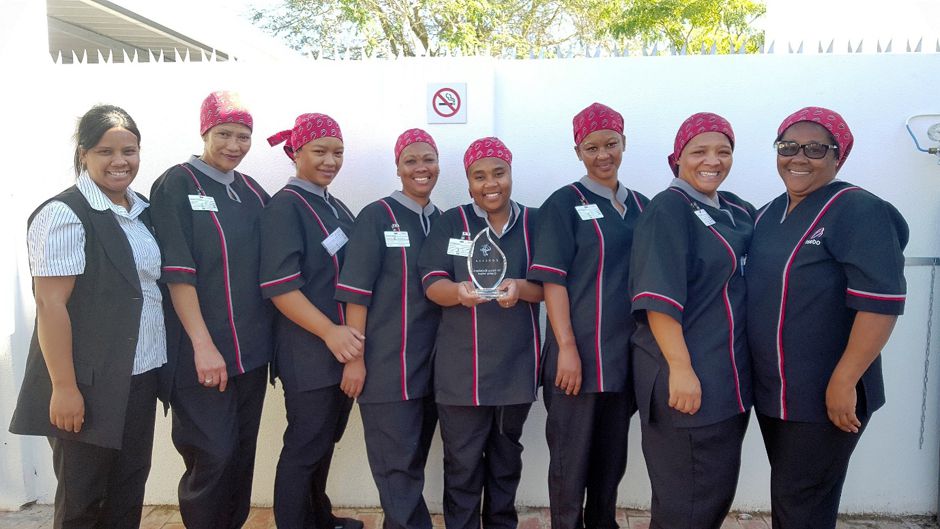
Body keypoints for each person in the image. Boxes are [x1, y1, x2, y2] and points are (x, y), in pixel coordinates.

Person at [746, 106, 908, 529]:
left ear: (839, 156)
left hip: (828, 396)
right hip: (776, 394)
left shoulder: (858, 210)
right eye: (788, 146)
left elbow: (880, 303)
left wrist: (844, 379)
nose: (799, 157)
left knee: (802, 505)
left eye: (816, 148)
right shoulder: (765, 215)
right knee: (791, 495)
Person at [10, 104, 166, 528]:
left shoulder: (142, 210)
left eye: (129, 150)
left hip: (139, 375)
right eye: (105, 151)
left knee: (128, 491)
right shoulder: (64, 214)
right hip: (87, 385)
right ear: (83, 154)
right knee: (83, 501)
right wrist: (64, 388)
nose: (120, 161)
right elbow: (50, 305)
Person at [149, 91, 274, 529]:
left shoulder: (252, 191)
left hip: (251, 352)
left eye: (244, 136)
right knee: (212, 454)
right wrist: (203, 345)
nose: (234, 146)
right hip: (201, 350)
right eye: (224, 134)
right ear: (205, 132)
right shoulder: (177, 183)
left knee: (241, 453)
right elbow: (178, 273)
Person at [527, 102, 648, 529]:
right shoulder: (563, 204)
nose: (603, 155)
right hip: (575, 359)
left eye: (611, 144)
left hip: (624, 358)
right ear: (578, 150)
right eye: (592, 147)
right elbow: (553, 282)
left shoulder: (641, 206)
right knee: (569, 463)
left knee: (610, 461)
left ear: (624, 143)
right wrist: (566, 349)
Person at [629, 113, 753, 529]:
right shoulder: (669, 209)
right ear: (677, 158)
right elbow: (658, 301)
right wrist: (681, 370)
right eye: (699, 151)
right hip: (688, 382)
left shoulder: (735, 209)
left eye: (724, 151)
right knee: (686, 505)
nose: (712, 161)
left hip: (727, 381)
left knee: (712, 497)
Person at [417, 137, 543, 529]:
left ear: (510, 173)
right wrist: (457, 293)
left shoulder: (534, 223)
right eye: (479, 176)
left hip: (515, 369)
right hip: (461, 375)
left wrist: (520, 288)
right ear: (469, 182)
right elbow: (430, 281)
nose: (491, 184)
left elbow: (549, 286)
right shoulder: (452, 223)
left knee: (506, 462)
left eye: (499, 173)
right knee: (463, 464)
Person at [335, 128, 442, 529]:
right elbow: (356, 294)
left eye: (428, 159)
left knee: (410, 467)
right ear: (398, 167)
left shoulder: (442, 221)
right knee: (396, 472)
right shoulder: (377, 216)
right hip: (384, 369)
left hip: (430, 370)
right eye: (411, 160)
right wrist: (355, 361)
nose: (421, 168)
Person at [261, 113, 363, 529]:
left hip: (341, 349)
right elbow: (280, 287)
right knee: (305, 445)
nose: (330, 161)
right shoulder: (286, 207)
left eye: (337, 152)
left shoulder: (332, 204)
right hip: (310, 351)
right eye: (319, 151)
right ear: (295, 152)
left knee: (324, 442)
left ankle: (318, 517)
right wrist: (330, 332)